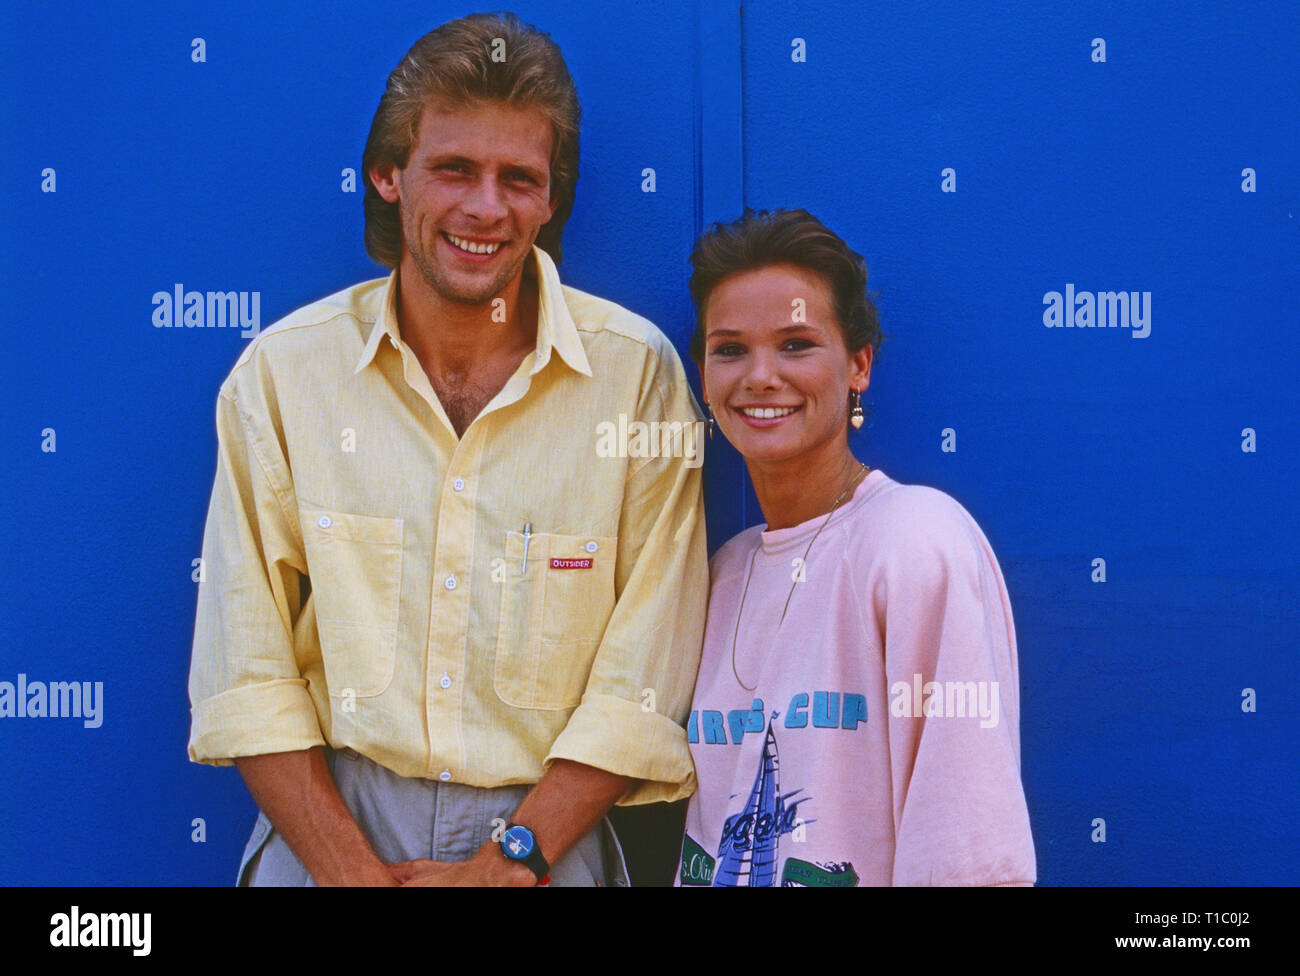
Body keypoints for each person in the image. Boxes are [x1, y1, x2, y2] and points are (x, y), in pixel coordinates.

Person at [187, 12, 708, 887]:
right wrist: (347, 872)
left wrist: (510, 863)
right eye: (454, 169)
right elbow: (248, 672)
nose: (485, 207)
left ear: (551, 200)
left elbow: (641, 679)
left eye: (519, 178)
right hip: (330, 827)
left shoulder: (637, 379)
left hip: (545, 841)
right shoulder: (285, 374)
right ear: (389, 175)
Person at [677, 209, 1035, 886]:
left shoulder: (914, 541)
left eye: (795, 345)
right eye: (730, 349)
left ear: (859, 364)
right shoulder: (725, 571)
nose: (759, 376)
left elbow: (970, 853)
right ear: (703, 375)